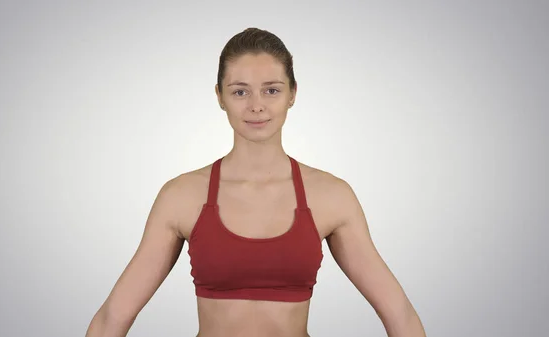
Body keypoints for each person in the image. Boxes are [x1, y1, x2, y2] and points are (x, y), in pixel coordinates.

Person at [85, 27, 426, 337]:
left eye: (271, 90)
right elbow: (112, 319)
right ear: (220, 96)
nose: (257, 106)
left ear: (292, 94)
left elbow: (401, 317)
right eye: (240, 92)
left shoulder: (331, 196)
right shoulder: (182, 196)